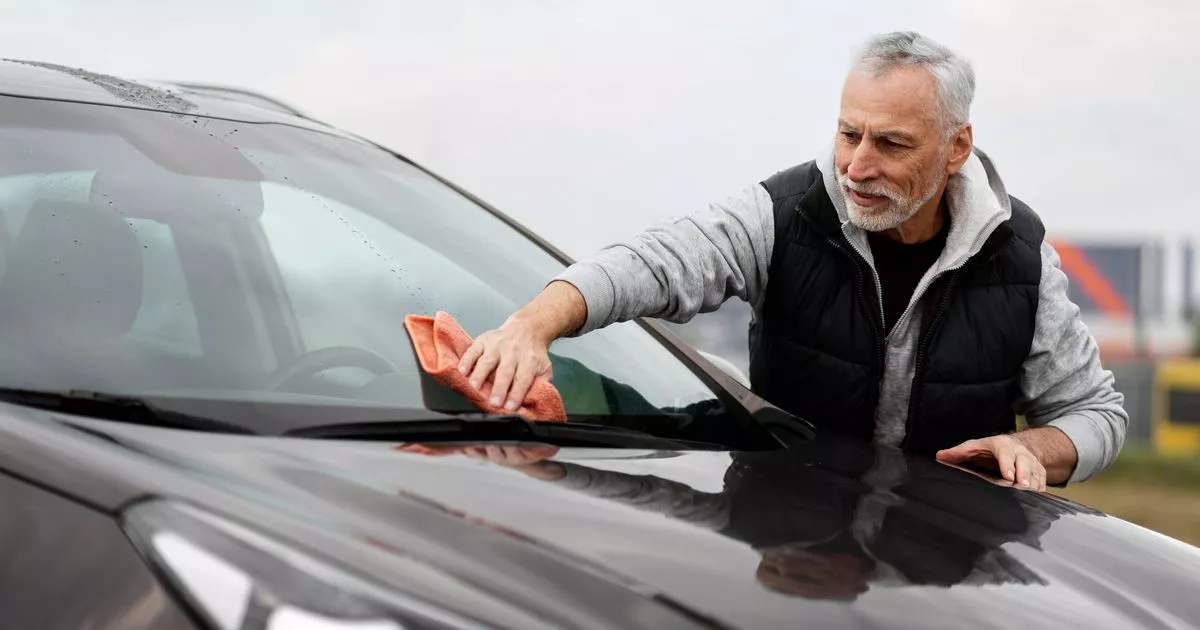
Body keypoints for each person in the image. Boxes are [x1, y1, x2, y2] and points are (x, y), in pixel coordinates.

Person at [456, 31, 1128, 490]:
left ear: (956, 148)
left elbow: (1098, 415)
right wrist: (534, 324)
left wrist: (1032, 449)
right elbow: (653, 262)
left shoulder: (1021, 256)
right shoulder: (782, 213)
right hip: (787, 550)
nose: (857, 166)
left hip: (950, 571)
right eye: (847, 133)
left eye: (891, 144)